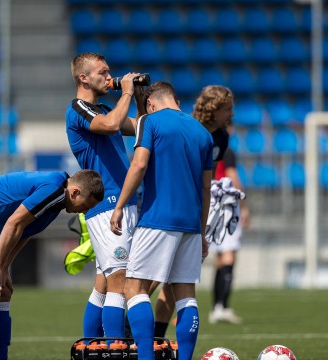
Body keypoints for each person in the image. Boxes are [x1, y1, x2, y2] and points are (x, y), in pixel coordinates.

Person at [0, 170, 103, 360]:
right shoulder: (53, 189)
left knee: (4, 291)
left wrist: (5, 267)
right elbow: (13, 224)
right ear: (75, 192)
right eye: (86, 205)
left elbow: (25, 231)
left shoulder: (58, 197)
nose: (85, 211)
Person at [110, 81, 214, 360]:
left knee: (135, 287)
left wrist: (120, 205)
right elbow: (207, 189)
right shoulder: (203, 133)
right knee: (185, 295)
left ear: (152, 103)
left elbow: (139, 164)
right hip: (191, 223)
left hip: (158, 218)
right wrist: (202, 232)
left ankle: (145, 357)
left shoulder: (150, 121)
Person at [65, 52, 146, 339]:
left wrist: (137, 96)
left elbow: (140, 127)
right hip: (108, 203)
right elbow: (112, 125)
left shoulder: (102, 109)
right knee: (119, 283)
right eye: (102, 71)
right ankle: (114, 347)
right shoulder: (78, 109)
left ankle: (92, 347)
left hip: (120, 202)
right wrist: (124, 92)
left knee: (103, 284)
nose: (108, 76)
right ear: (83, 77)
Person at [152, 85, 242, 336]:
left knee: (176, 281)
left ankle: (157, 336)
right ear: (214, 109)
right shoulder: (189, 127)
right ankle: (128, 324)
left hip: (195, 210)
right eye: (228, 109)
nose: (231, 115)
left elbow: (207, 176)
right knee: (152, 275)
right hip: (170, 206)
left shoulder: (222, 137)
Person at [208, 145, 250, 324]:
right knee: (229, 256)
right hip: (225, 204)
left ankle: (217, 307)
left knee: (220, 258)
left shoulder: (205, 144)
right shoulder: (227, 149)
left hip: (209, 202)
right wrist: (244, 205)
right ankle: (221, 307)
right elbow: (231, 175)